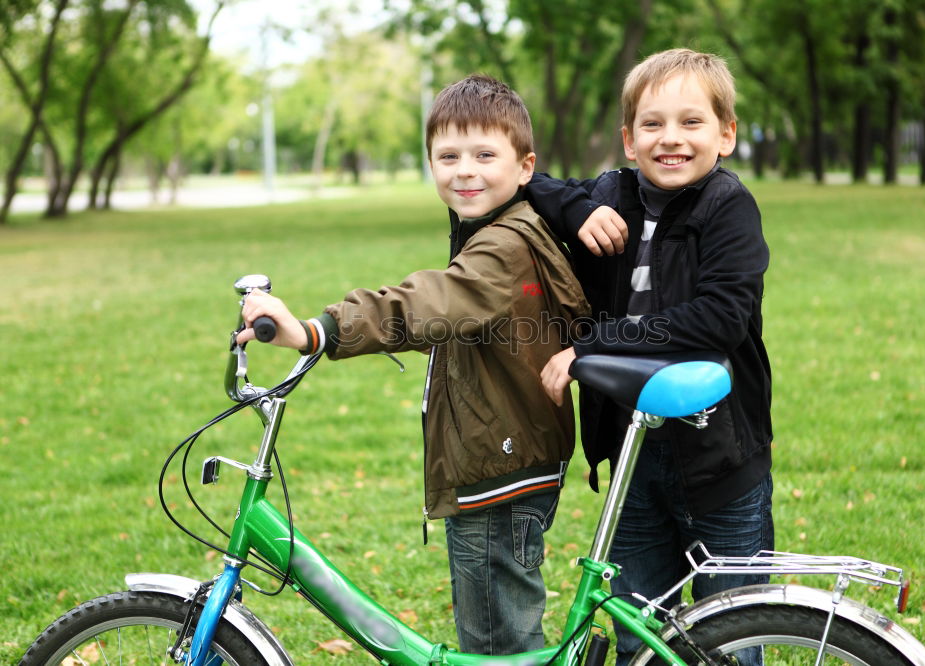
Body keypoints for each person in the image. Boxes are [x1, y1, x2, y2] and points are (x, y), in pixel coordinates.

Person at [236, 74, 590, 656]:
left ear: (525, 166)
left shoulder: (504, 244)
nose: (464, 170)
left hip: (497, 475)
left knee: (497, 647)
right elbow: (468, 321)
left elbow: (428, 303)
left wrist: (318, 331)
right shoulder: (498, 230)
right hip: (504, 458)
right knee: (495, 637)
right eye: (447, 156)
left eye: (484, 154)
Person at [525, 48, 773, 666]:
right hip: (631, 453)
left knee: (730, 631)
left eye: (692, 122)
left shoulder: (727, 207)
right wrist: (581, 209)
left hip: (720, 458)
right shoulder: (613, 193)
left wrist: (593, 344)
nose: (672, 139)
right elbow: (526, 183)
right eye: (652, 124)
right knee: (641, 629)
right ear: (629, 141)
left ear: (726, 134)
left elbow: (719, 319)